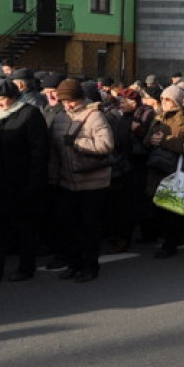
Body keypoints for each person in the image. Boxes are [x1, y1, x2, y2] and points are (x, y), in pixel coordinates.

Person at [0, 79, 48, 283]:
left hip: (22, 181)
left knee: (24, 227)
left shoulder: (29, 114)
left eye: (3, 98)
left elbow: (39, 151)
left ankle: (26, 267)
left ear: (14, 97)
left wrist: (35, 182)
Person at [48, 78, 115, 283]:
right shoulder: (60, 118)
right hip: (67, 182)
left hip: (93, 182)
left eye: (72, 101)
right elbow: (54, 152)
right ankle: (74, 264)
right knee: (68, 226)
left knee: (89, 227)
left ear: (80, 98)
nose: (68, 105)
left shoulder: (94, 116)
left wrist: (78, 142)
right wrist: (52, 178)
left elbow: (106, 145)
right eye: (64, 101)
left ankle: (90, 266)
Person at [143, 85, 184, 259]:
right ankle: (171, 238)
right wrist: (152, 140)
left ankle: (170, 244)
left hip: (171, 170)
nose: (164, 102)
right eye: (162, 99)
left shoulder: (182, 120)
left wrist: (165, 140)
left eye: (168, 99)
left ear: (175, 102)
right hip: (156, 168)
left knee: (169, 209)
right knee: (158, 208)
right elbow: (146, 141)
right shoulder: (159, 117)